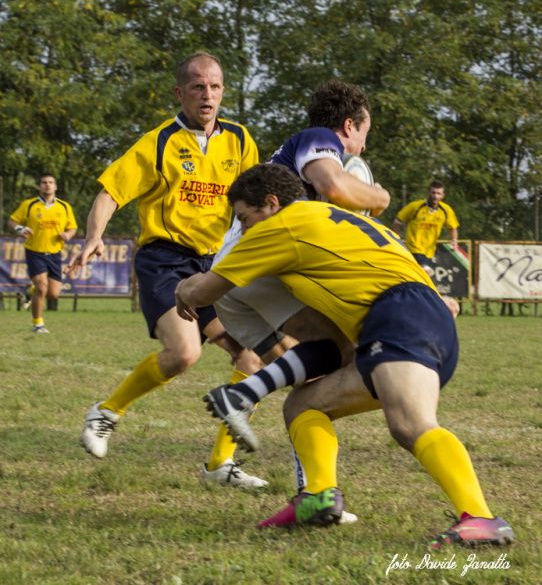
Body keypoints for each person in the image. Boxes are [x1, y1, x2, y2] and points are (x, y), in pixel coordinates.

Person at [175, 163, 514, 549]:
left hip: (397, 316)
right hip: (415, 315)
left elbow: (204, 292)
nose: (245, 229)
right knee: (304, 406)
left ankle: (481, 517)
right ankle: (317, 498)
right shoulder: (332, 214)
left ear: (271, 203)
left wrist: (183, 288)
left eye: (245, 218)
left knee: (410, 423)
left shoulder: (279, 227)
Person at [66, 51, 266, 488]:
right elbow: (110, 192)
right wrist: (94, 236)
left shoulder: (239, 140)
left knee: (251, 356)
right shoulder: (159, 142)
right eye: (197, 87)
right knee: (184, 353)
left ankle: (219, 466)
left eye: (214, 86)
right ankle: (107, 412)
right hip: (166, 261)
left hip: (215, 262)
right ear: (180, 93)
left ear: (223, 91)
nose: (207, 95)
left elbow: (260, 195)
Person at [212, 79, 390, 364]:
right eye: (364, 134)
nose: (364, 146)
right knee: (352, 355)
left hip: (231, 275)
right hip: (259, 262)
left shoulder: (294, 159)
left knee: (309, 369)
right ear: (348, 126)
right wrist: (380, 197)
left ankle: (241, 398)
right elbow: (333, 185)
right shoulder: (318, 137)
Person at [8, 174, 77, 333]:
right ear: (39, 186)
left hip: (55, 253)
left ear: (55, 186)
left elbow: (72, 227)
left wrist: (68, 235)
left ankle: (29, 291)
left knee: (53, 294)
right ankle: (38, 324)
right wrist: (20, 229)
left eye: (51, 182)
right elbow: (12, 221)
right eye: (44, 182)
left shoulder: (64, 206)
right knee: (41, 287)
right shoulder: (29, 205)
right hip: (34, 251)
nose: (47, 185)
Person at [392, 180, 459, 277]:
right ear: (428, 192)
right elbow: (398, 220)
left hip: (429, 251)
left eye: (438, 193)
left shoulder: (445, 210)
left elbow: (453, 227)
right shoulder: (416, 206)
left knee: (420, 277)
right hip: (413, 248)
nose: (436, 196)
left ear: (443, 195)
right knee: (425, 271)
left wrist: (454, 240)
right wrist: (395, 236)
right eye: (433, 193)